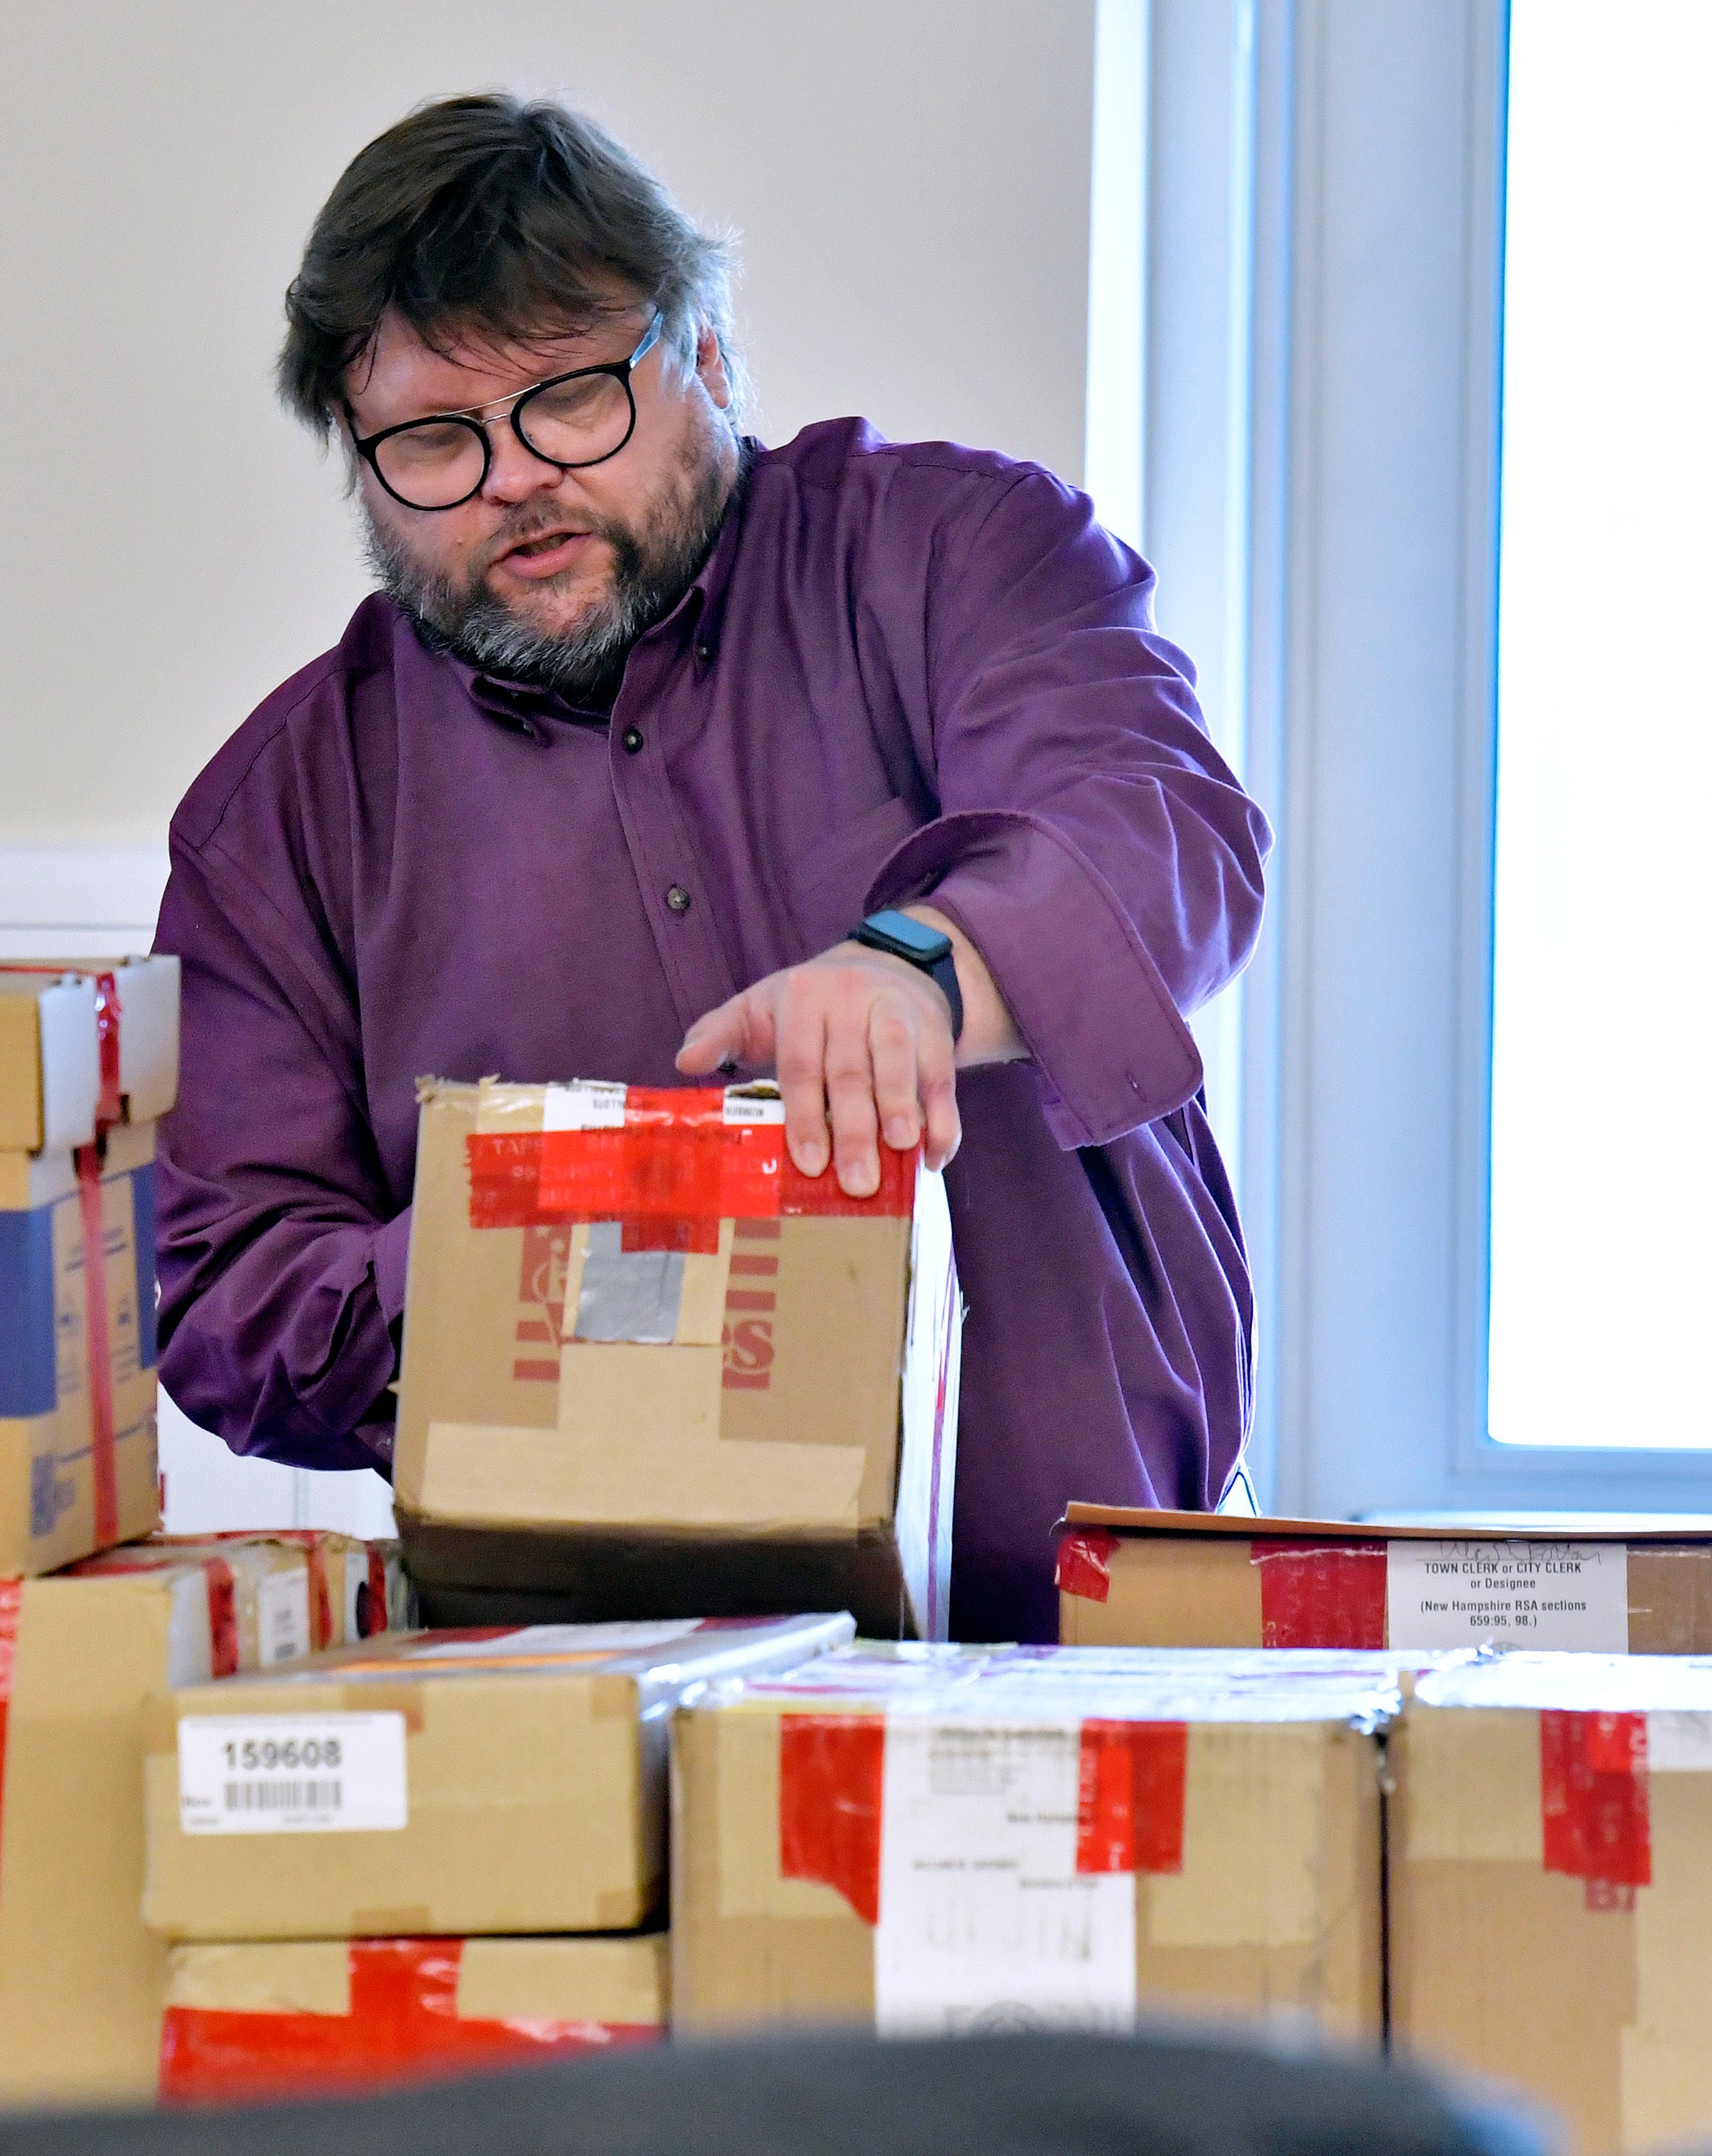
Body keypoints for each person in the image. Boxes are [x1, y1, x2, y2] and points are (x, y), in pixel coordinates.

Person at [152, 95, 1267, 1640]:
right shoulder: (282, 815)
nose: (511, 480)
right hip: (576, 1699)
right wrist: (563, 1244)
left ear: (713, 360)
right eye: (430, 440)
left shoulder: (959, 553)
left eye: (570, 399)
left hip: (1085, 1639)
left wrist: (923, 970)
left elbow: (1161, 831)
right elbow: (227, 1303)